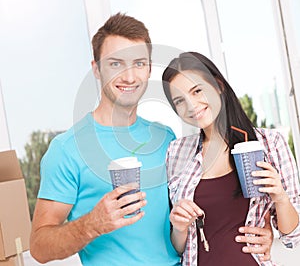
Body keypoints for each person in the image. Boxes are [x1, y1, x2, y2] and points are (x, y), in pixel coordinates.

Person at [30, 14, 274, 265]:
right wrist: (92, 224)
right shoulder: (67, 150)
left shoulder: (166, 138)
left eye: (138, 63)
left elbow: (198, 206)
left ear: (148, 69)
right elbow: (39, 247)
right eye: (115, 64)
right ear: (96, 69)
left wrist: (262, 228)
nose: (129, 76)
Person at [162, 51, 300, 265]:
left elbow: (293, 237)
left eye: (197, 91)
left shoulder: (270, 144)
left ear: (218, 85)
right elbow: (179, 248)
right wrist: (179, 227)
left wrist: (280, 198)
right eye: (180, 101)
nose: (191, 105)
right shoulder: (177, 153)